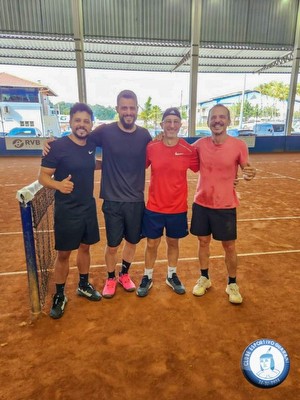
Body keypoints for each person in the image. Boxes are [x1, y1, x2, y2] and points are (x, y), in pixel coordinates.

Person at [38, 103, 101, 319]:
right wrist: (58, 185)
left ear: (91, 124)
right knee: (63, 254)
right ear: (71, 122)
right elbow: (43, 177)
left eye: (86, 121)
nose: (81, 125)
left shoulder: (92, 144)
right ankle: (60, 294)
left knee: (85, 248)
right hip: (66, 209)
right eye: (78, 120)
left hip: (88, 207)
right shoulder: (57, 147)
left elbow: (90, 163)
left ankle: (83, 285)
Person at [88, 90, 152, 298]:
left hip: (135, 200)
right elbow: (79, 140)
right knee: (113, 245)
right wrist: (52, 143)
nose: (128, 112)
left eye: (132, 108)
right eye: (124, 107)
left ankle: (124, 273)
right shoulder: (104, 132)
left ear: (137, 110)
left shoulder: (144, 135)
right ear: (117, 109)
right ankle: (110, 278)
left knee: (132, 242)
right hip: (113, 200)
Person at [190, 104, 256, 304]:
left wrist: (248, 173)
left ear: (228, 121)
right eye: (213, 117)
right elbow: (179, 155)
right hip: (202, 203)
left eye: (222, 117)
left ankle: (232, 283)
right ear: (208, 121)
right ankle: (204, 278)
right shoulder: (199, 144)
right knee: (203, 242)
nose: (217, 120)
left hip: (226, 205)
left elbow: (247, 168)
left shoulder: (239, 145)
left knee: (229, 246)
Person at [136, 108, 199, 297]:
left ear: (180, 124)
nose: (172, 125)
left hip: (177, 208)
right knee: (152, 244)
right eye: (168, 121)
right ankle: (147, 276)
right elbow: (136, 166)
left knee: (173, 242)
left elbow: (207, 167)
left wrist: (233, 177)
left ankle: (171, 275)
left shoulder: (189, 150)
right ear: (162, 124)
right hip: (154, 207)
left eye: (175, 121)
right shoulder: (151, 148)